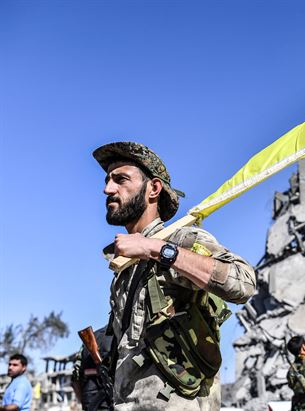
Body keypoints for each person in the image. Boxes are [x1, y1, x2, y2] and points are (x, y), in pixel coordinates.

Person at [93, 142, 256, 410]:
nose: (108, 189)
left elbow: (243, 282)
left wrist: (155, 248)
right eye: (108, 180)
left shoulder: (181, 239)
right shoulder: (124, 267)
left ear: (153, 189)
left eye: (120, 179)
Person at [71, 327, 113, 410]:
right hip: (109, 403)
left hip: (89, 401)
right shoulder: (119, 337)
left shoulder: (92, 337)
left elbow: (75, 377)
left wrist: (83, 401)